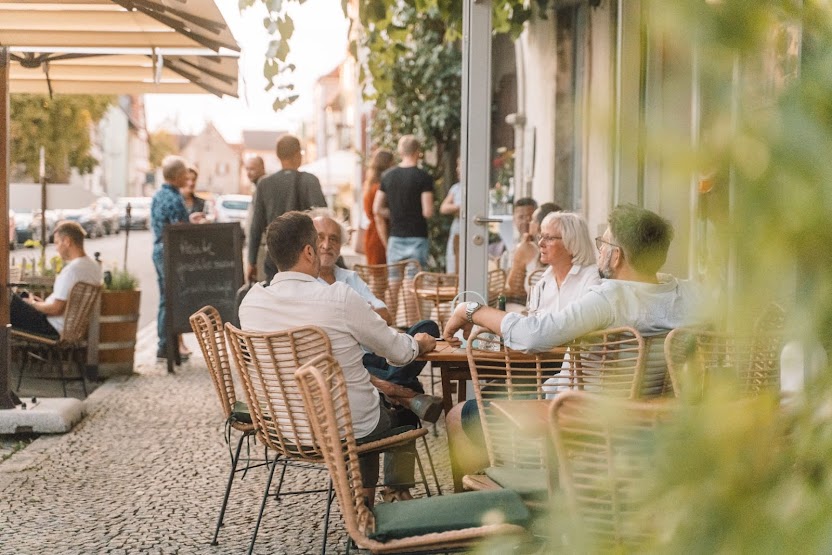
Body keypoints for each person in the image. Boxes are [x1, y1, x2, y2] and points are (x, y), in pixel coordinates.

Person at [443, 205, 705, 474]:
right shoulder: (691, 295)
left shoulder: (608, 300)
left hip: (574, 415)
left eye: (603, 243)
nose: (599, 251)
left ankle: (507, 498)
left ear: (617, 256)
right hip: (650, 418)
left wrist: (470, 310)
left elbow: (533, 334)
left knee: (456, 415)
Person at [239, 211, 437, 502]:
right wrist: (419, 343)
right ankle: (366, 506)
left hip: (284, 428)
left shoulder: (251, 302)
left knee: (364, 403)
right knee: (389, 416)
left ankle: (362, 505)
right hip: (348, 428)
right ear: (309, 251)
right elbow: (399, 352)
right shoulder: (339, 297)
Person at [312, 211, 443, 423]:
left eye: (333, 239)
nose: (327, 244)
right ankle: (407, 394)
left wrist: (355, 316)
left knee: (428, 327)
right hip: (349, 361)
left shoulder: (349, 278)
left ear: (340, 246)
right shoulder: (307, 285)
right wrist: (361, 315)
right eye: (320, 237)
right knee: (412, 384)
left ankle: (393, 388)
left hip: (380, 351)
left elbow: (386, 315)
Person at [247, 135, 326, 283]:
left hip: (275, 257)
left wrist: (251, 261)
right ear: (299, 154)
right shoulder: (310, 181)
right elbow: (323, 220)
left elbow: (255, 227)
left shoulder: (265, 184)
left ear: (278, 156)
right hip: (306, 256)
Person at [151, 155, 205, 360]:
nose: (187, 177)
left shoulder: (158, 195)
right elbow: (179, 232)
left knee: (164, 299)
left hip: (157, 250)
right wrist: (193, 225)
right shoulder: (175, 198)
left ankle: (163, 344)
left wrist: (187, 220)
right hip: (171, 254)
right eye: (184, 173)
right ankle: (167, 347)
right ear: (176, 176)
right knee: (172, 299)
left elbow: (168, 225)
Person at [9, 221, 101, 338]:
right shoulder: (94, 267)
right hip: (63, 327)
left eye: (57, 243)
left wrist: (32, 304)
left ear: (67, 241)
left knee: (7, 298)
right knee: (20, 297)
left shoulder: (72, 271)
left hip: (49, 327)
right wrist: (38, 303)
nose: (56, 248)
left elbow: (56, 309)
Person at [373, 135, 434, 269]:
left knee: (394, 281)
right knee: (412, 282)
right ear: (417, 152)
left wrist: (394, 212)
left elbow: (376, 208)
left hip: (395, 236)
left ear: (400, 152)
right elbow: (428, 212)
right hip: (418, 236)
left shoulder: (387, 176)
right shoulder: (424, 177)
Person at [505, 201, 561, 304]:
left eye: (533, 220)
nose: (529, 222)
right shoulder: (527, 247)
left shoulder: (527, 248)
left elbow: (512, 286)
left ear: (541, 225)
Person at [362, 149, 395, 265]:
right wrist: (387, 244)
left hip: (371, 234)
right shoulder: (380, 188)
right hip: (381, 234)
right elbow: (378, 217)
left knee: (376, 277)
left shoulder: (369, 185)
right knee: (383, 277)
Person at [439, 160, 462, 273]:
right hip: (458, 229)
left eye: (460, 166)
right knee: (454, 263)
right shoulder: (456, 188)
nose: (457, 169)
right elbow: (443, 208)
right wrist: (459, 208)